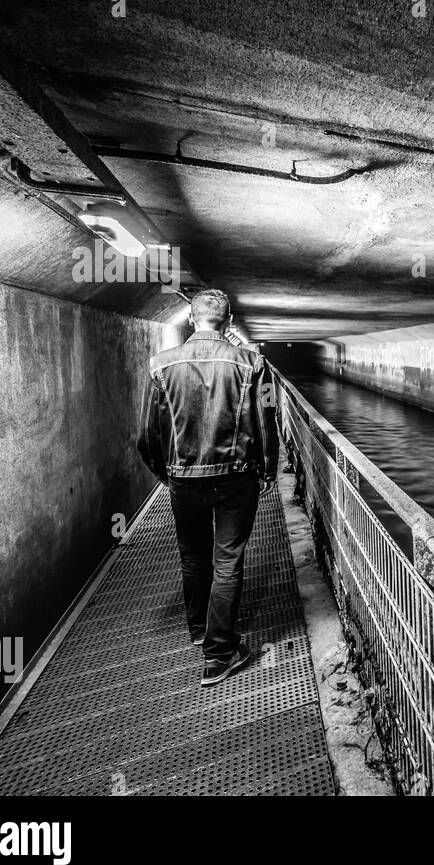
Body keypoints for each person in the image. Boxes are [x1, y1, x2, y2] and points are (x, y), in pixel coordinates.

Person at [136, 290, 279, 686]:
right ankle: (220, 653)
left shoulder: (161, 366)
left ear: (191, 320)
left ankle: (199, 630)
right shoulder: (254, 364)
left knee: (193, 557)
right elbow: (266, 419)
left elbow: (148, 433)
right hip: (236, 477)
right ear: (229, 321)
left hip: (184, 479)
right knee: (227, 561)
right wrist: (267, 470)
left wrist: (165, 472)